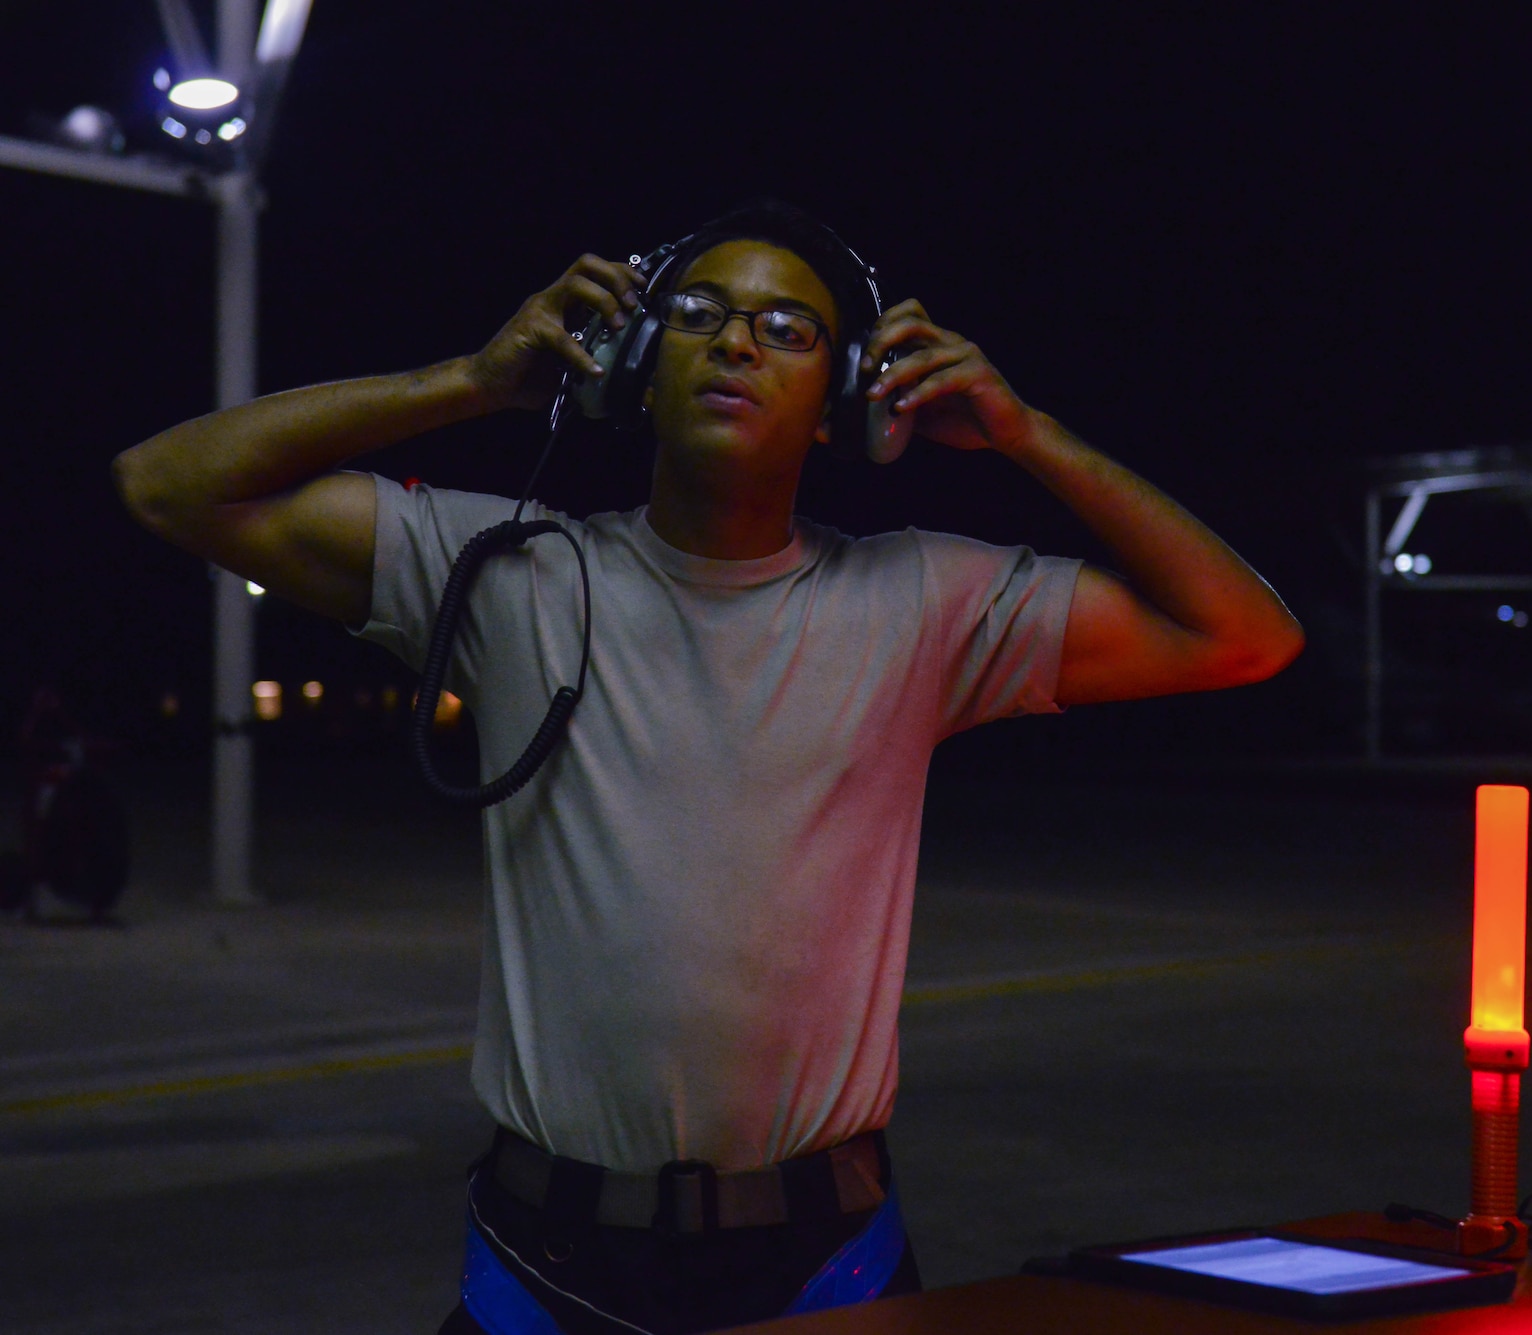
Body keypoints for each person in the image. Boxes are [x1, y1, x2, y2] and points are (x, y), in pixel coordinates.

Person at [113, 200, 1303, 1334]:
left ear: (847, 402)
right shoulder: (506, 572)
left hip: (824, 1256)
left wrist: (1024, 433)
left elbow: (1245, 636)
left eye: (788, 330)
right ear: (632, 365)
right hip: (546, 1260)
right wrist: (467, 385)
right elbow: (166, 482)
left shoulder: (921, 602)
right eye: (695, 312)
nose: (735, 340)